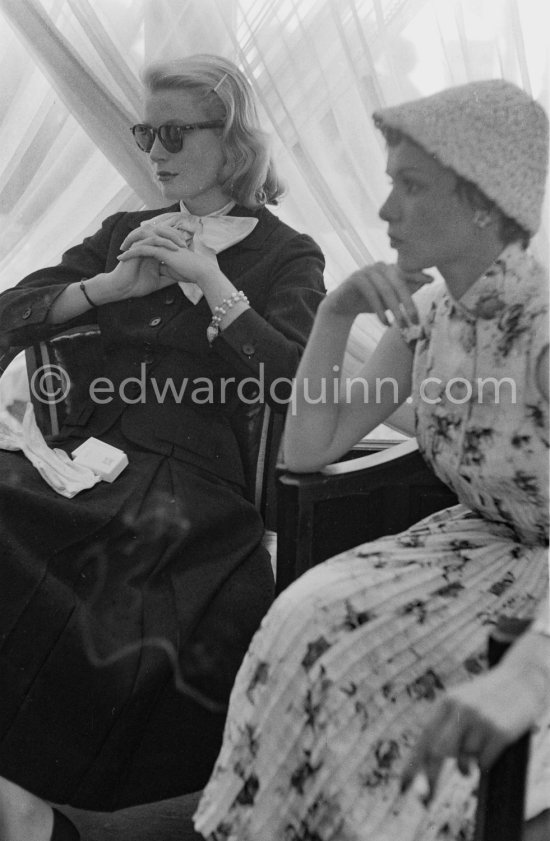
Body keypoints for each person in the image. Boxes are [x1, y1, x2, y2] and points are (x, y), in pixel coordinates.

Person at [193, 79, 549, 841]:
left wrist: (534, 669)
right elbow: (310, 446)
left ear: (485, 201)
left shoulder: (544, 328)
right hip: (470, 547)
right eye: (391, 183)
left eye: (410, 186)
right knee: (307, 619)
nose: (386, 209)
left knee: (472, 768)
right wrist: (335, 313)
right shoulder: (429, 314)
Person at [0, 54, 325, 839]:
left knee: (114, 576)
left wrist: (215, 283)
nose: (154, 149)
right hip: (84, 451)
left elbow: (297, 385)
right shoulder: (123, 232)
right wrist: (109, 287)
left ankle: (27, 799)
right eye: (147, 131)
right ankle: (19, 795)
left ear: (235, 142)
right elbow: (10, 311)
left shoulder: (288, 254)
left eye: (174, 131)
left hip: (192, 482)